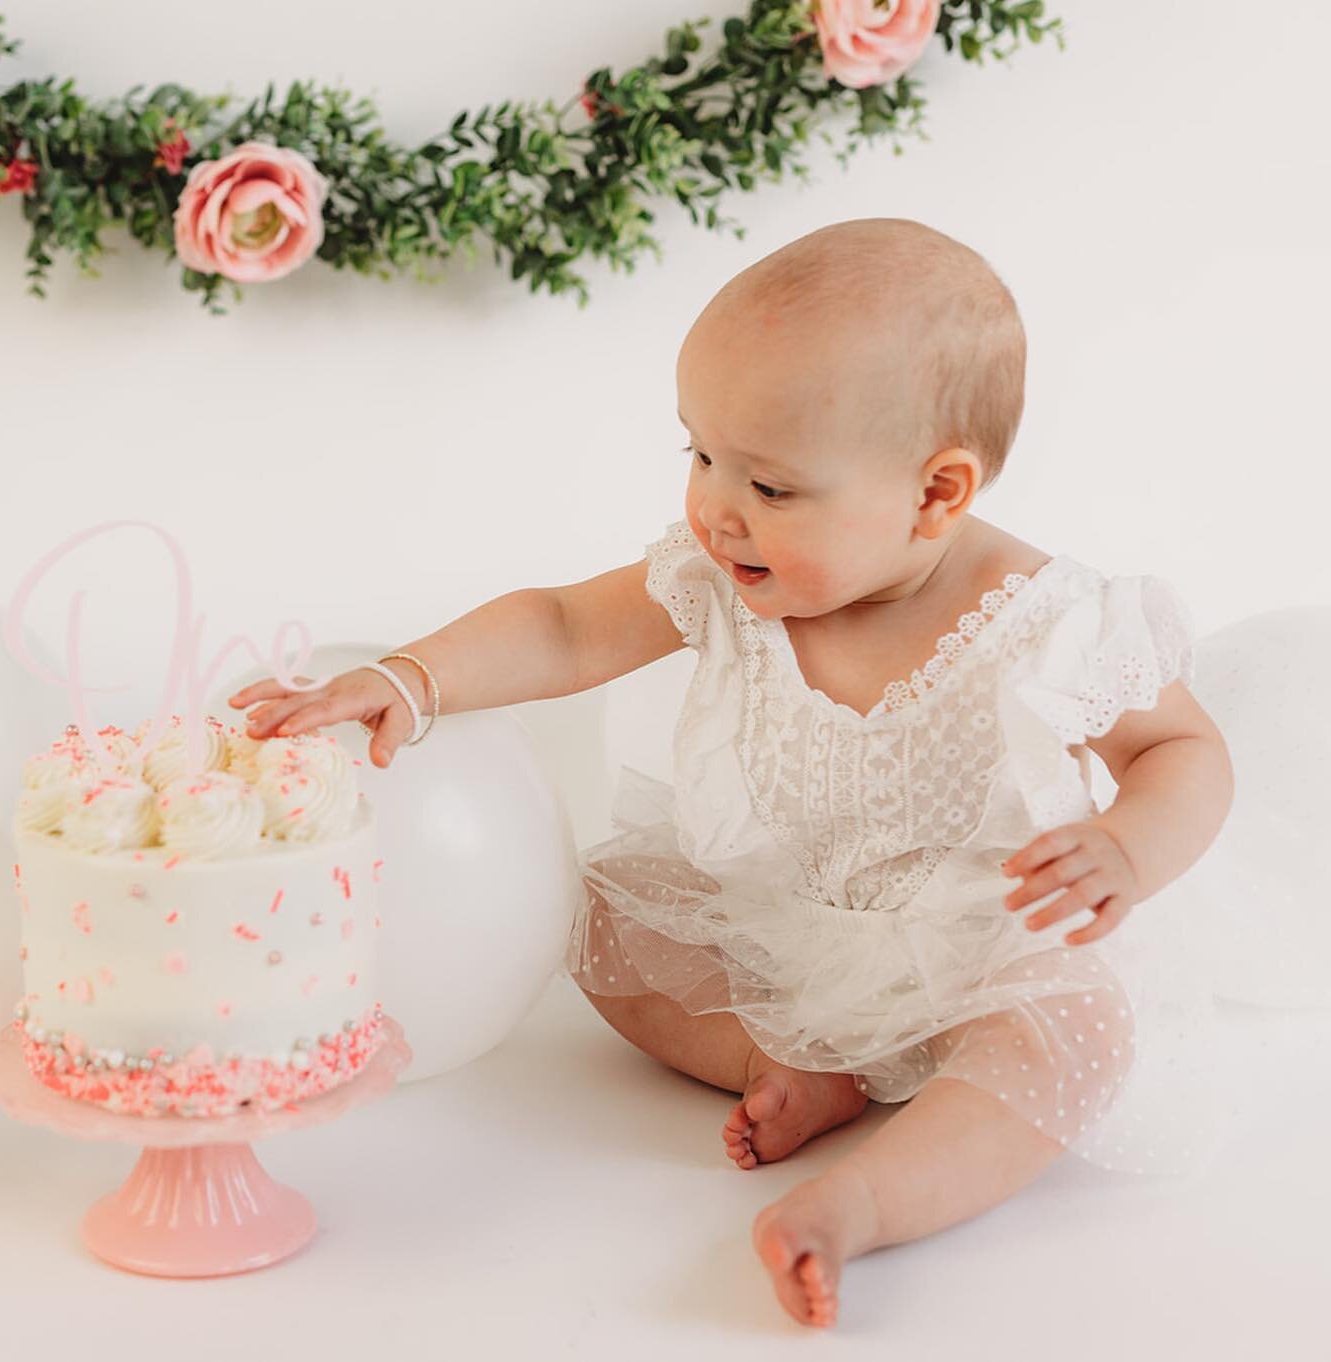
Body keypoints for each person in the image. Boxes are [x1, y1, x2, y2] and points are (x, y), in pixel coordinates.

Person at [228, 218, 1242, 1330]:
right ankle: (794, 1063)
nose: (716, 508)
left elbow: (1180, 751)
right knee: (598, 919)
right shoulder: (723, 575)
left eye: (770, 484)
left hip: (980, 942)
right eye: (699, 454)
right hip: (791, 926)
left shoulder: (1051, 620)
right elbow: (566, 627)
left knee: (1075, 1034)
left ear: (937, 494)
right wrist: (415, 678)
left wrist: (1128, 847)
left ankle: (863, 1201)